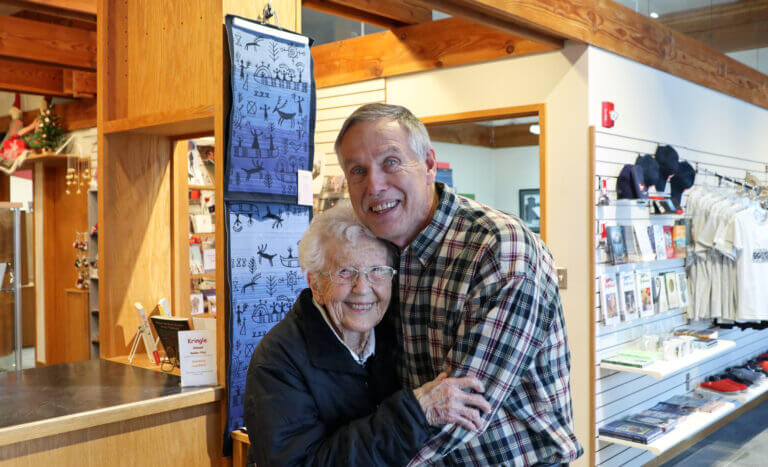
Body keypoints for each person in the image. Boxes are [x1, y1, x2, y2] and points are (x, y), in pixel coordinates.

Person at [335, 103, 584, 465]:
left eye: (391, 162)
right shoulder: (373, 250)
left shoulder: (500, 248)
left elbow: (463, 410)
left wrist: (342, 458)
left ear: (430, 164)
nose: (374, 184)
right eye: (358, 170)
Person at [243, 201, 491, 466]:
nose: (362, 288)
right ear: (315, 284)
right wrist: (414, 414)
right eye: (345, 272)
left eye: (377, 272)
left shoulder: (397, 331)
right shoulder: (277, 361)